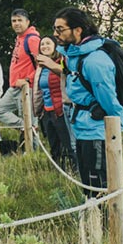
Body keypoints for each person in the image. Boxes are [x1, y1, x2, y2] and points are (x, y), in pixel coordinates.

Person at [53, 7, 123, 193]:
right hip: (82, 128)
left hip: (96, 132)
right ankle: (91, 219)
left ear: (78, 30)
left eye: (60, 29)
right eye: (55, 29)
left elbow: (109, 101)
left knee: (98, 186)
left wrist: (116, 131)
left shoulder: (95, 61)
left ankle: (102, 221)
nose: (55, 34)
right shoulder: (74, 56)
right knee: (88, 185)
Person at [0, 9, 41, 129]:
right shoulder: (20, 38)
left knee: (29, 121)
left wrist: (28, 80)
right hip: (14, 87)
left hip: (27, 88)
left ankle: (31, 140)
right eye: (14, 21)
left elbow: (43, 65)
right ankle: (27, 127)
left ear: (27, 22)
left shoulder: (32, 39)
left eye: (20, 20)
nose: (16, 23)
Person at [32, 36, 76, 170]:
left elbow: (67, 74)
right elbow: (38, 90)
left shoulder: (62, 61)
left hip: (61, 110)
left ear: (56, 46)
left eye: (48, 43)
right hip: (47, 111)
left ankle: (75, 170)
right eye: (42, 44)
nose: (44, 46)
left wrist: (50, 64)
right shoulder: (40, 67)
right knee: (54, 145)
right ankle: (58, 171)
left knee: (69, 143)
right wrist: (38, 111)